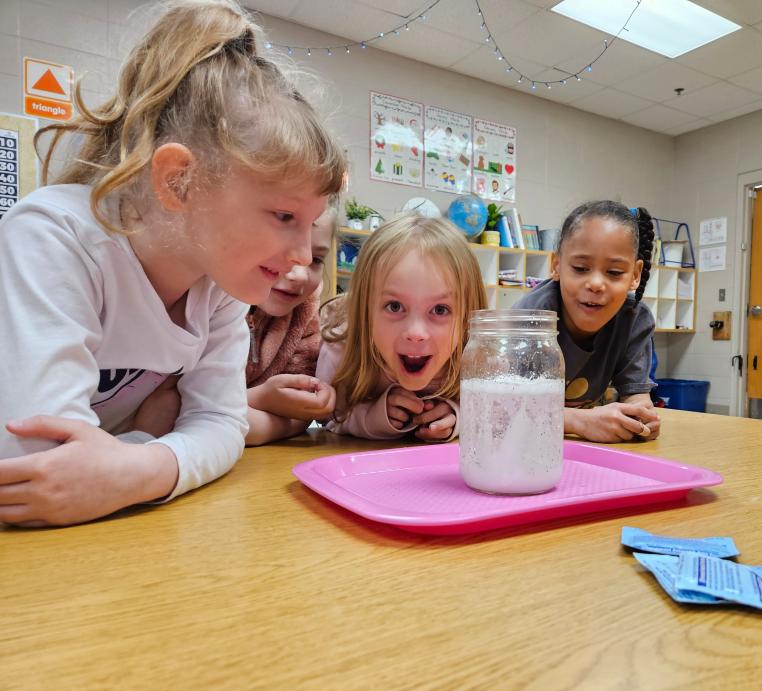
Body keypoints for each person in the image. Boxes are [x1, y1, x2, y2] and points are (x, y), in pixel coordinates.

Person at [0, 0, 345, 526]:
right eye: (282, 215)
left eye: (310, 222)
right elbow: (37, 466)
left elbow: (223, 426)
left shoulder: (222, 285)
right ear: (178, 180)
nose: (301, 257)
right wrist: (156, 438)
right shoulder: (54, 236)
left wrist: (134, 465)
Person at [316, 214, 486, 441]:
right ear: (364, 310)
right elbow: (328, 418)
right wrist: (370, 418)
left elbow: (499, 415)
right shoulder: (341, 348)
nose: (415, 333)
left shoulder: (479, 359)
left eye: (440, 310)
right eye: (394, 306)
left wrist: (459, 417)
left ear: (468, 318)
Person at [514, 201, 660, 442]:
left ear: (635, 275)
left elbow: (636, 395)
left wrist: (640, 417)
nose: (595, 284)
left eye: (614, 272)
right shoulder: (530, 317)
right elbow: (504, 408)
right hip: (524, 448)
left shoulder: (635, 320)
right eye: (581, 268)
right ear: (557, 265)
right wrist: (580, 422)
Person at [245, 207, 338, 446]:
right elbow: (177, 411)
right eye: (281, 249)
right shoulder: (212, 303)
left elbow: (302, 413)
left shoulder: (305, 314)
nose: (299, 275)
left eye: (316, 260)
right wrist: (261, 399)